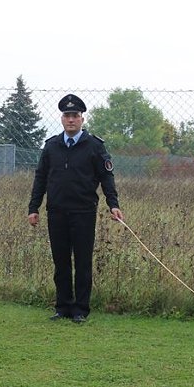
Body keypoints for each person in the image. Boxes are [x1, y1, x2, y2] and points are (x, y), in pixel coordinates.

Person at [28, 93, 123, 323]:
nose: (71, 119)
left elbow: (106, 177)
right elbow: (40, 178)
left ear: (82, 119)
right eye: (67, 115)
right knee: (60, 263)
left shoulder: (94, 146)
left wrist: (113, 205)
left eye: (75, 116)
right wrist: (34, 207)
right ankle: (63, 307)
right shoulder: (52, 146)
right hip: (57, 212)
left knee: (82, 262)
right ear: (62, 119)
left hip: (83, 212)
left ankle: (80, 309)